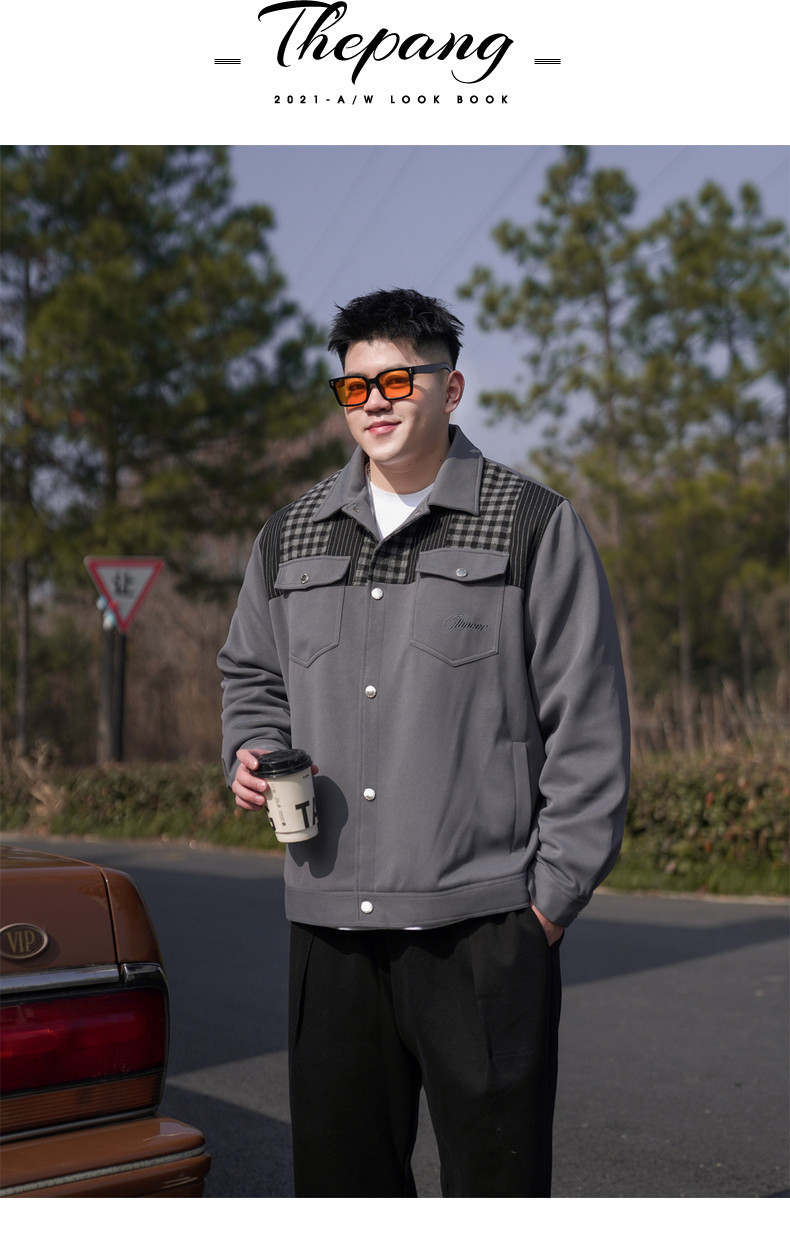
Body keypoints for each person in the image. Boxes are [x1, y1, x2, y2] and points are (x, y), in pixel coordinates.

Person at [218, 288, 630, 1198]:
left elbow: (589, 727)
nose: (375, 402)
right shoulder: (289, 536)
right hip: (330, 932)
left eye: (398, 380)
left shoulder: (531, 523)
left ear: (452, 389)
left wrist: (545, 906)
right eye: (354, 386)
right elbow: (251, 678)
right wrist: (249, 748)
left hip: (483, 934)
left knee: (495, 1191)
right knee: (343, 1192)